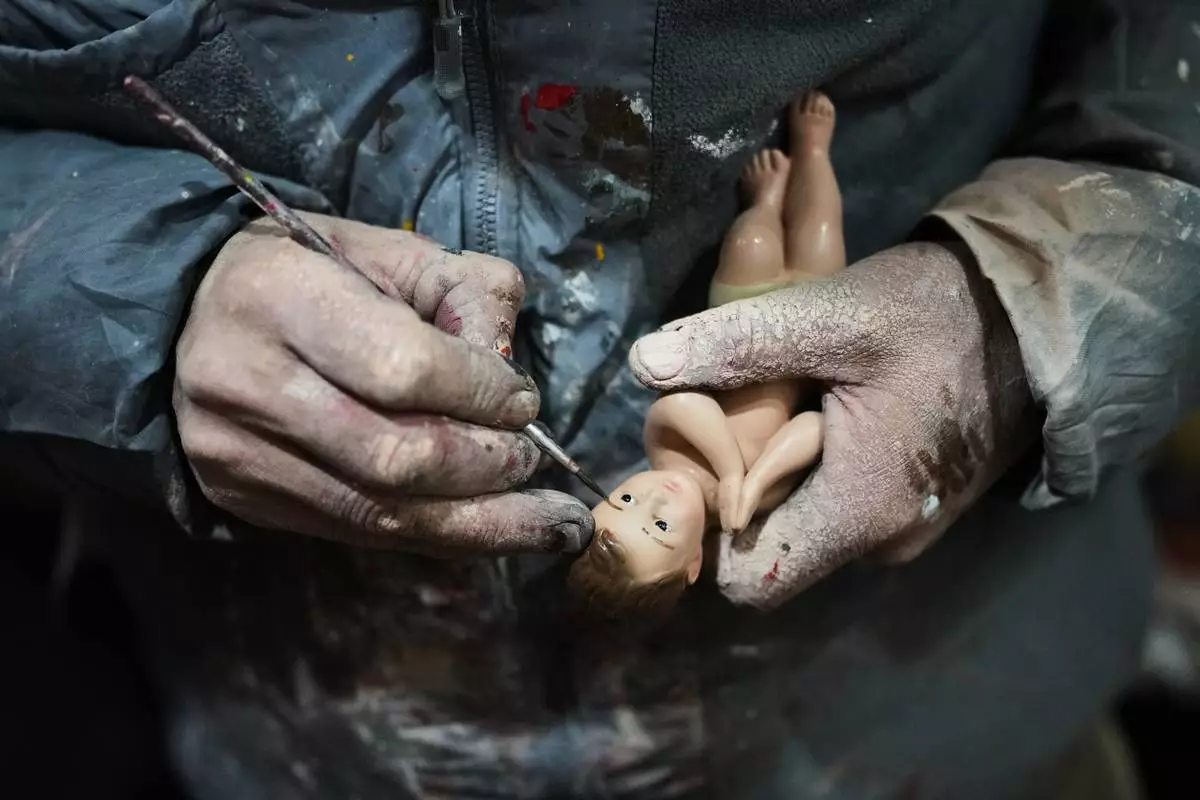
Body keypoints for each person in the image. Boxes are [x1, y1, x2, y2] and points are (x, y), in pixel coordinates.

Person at [0, 0, 1196, 797]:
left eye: (624, 507)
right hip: (283, 743)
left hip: (939, 729)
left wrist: (1032, 296)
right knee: (798, 238)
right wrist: (130, 304)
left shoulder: (691, 452)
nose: (631, 497)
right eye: (646, 515)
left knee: (786, 240)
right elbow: (751, 449)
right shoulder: (724, 479)